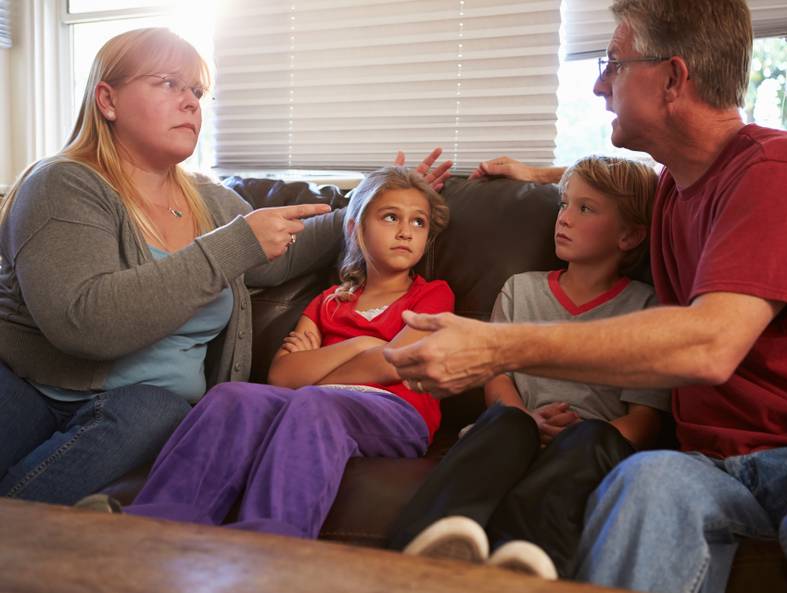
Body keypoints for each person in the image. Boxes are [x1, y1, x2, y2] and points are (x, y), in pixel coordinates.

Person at [382, 1, 787, 592]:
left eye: (613, 64)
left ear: (673, 78)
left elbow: (711, 344)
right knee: (646, 480)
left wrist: (495, 347)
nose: (600, 86)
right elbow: (609, 183)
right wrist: (538, 174)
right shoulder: (673, 187)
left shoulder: (782, 170)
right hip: (708, 466)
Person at [0, 27, 450, 506]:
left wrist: (375, 205)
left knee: (157, 408)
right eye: (168, 83)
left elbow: (278, 255)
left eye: (196, 92)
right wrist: (232, 246)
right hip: (29, 384)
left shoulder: (208, 198)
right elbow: (84, 324)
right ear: (108, 100)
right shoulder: (62, 184)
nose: (190, 103)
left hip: (145, 407)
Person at [123, 166, 454, 538]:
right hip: (314, 402)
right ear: (355, 229)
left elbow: (397, 363)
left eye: (419, 222)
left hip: (398, 412)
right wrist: (363, 345)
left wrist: (315, 375)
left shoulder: (433, 295)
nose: (406, 231)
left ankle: (272, 540)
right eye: (391, 217)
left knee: (313, 402)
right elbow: (282, 376)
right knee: (231, 396)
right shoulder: (328, 301)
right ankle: (154, 524)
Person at [384, 156, 670, 580]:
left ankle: (527, 560)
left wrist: (574, 437)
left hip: (590, 446)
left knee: (592, 438)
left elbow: (644, 420)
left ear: (629, 235)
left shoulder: (647, 307)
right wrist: (528, 419)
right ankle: (420, 549)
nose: (564, 218)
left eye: (585, 209)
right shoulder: (521, 289)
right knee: (507, 423)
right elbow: (497, 377)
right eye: (564, 204)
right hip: (517, 430)